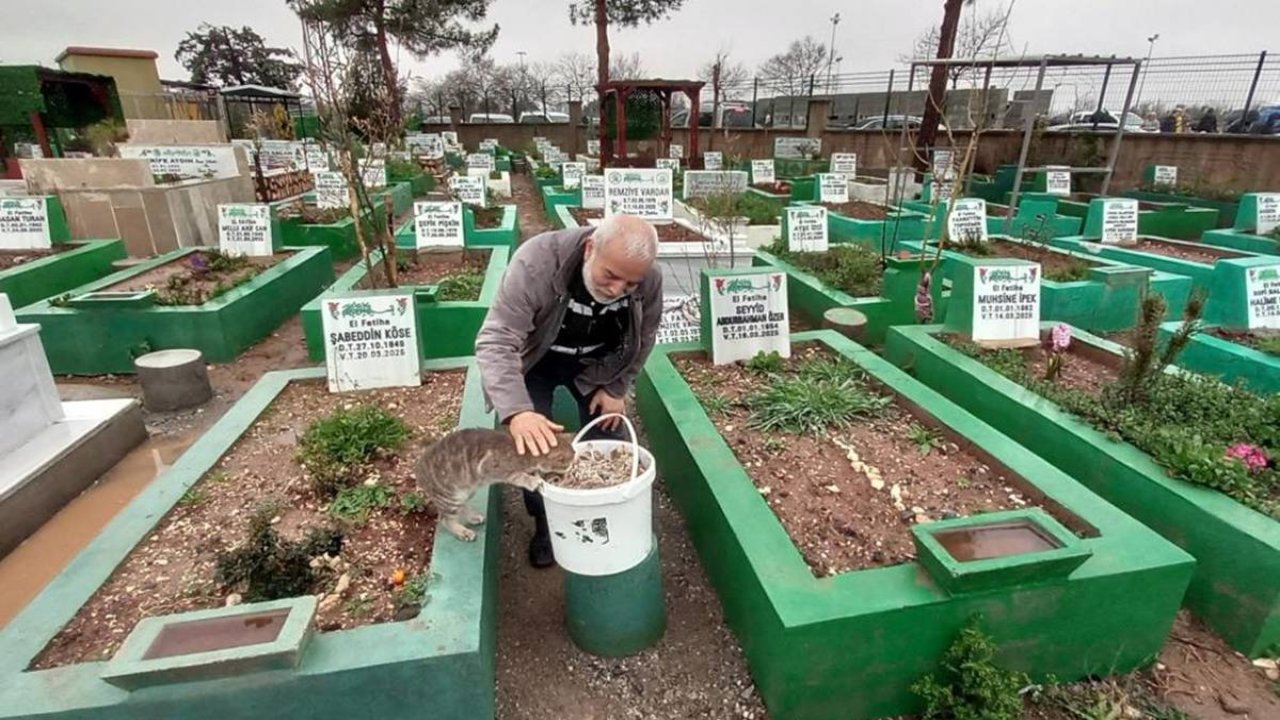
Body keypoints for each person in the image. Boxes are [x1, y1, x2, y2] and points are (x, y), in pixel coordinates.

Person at [475, 214, 663, 567]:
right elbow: (496, 340)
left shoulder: (649, 281)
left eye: (630, 284)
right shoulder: (537, 262)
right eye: (610, 275)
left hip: (597, 366)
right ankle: (546, 523)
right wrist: (517, 411)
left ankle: (614, 510)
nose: (617, 289)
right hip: (537, 359)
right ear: (591, 248)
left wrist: (616, 386)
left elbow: (645, 337)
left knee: (614, 435)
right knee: (533, 448)